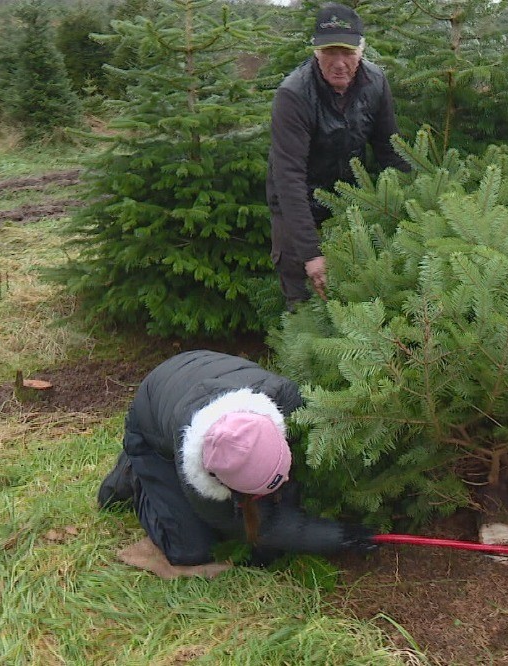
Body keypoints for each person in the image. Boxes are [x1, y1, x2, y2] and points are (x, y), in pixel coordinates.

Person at [97, 350, 374, 567]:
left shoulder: (285, 397)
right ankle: (138, 472)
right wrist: (336, 536)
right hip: (152, 424)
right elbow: (260, 527)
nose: (288, 477)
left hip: (199, 367)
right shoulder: (194, 472)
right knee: (191, 550)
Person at [266, 2, 409, 308]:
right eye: (330, 52)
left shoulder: (376, 83)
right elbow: (288, 179)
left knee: (352, 295)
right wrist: (311, 253)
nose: (339, 62)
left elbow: (390, 151)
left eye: (347, 52)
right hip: (297, 208)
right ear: (316, 52)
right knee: (304, 299)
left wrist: (414, 207)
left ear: (361, 49)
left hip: (347, 203)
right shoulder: (293, 95)